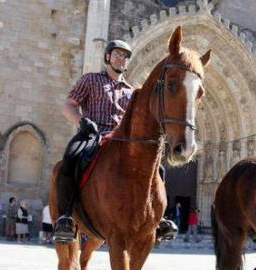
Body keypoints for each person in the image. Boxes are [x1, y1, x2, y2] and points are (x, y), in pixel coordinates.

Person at [53, 39, 178, 244]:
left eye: (125, 56)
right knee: (70, 159)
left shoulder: (131, 91)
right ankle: (65, 217)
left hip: (120, 141)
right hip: (92, 135)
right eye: (117, 54)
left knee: (157, 169)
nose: (121, 59)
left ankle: (158, 219)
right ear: (108, 57)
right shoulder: (91, 80)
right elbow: (68, 105)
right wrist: (83, 122)